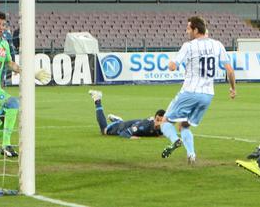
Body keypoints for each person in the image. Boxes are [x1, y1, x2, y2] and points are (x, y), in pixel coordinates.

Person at [0, 11, 50, 157]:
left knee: (6, 117)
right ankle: (6, 146)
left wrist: (32, 73)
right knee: (13, 103)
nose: (1, 27)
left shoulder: (4, 43)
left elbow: (10, 64)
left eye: (3, 25)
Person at [159, 16, 236, 164]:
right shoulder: (218, 45)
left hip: (190, 91)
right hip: (207, 95)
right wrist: (233, 89)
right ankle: (191, 155)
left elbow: (173, 66)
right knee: (184, 125)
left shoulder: (188, 46)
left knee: (165, 121)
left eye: (188, 28)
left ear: (195, 30)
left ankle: (175, 141)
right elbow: (230, 70)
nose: (187, 31)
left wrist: (170, 64)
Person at [88, 90, 165, 139]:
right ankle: (97, 99)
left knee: (125, 124)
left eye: (160, 121)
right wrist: (130, 137)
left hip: (130, 124)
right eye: (157, 120)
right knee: (104, 131)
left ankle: (118, 120)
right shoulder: (143, 126)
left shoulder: (163, 127)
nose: (158, 123)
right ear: (154, 119)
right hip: (121, 128)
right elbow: (124, 133)